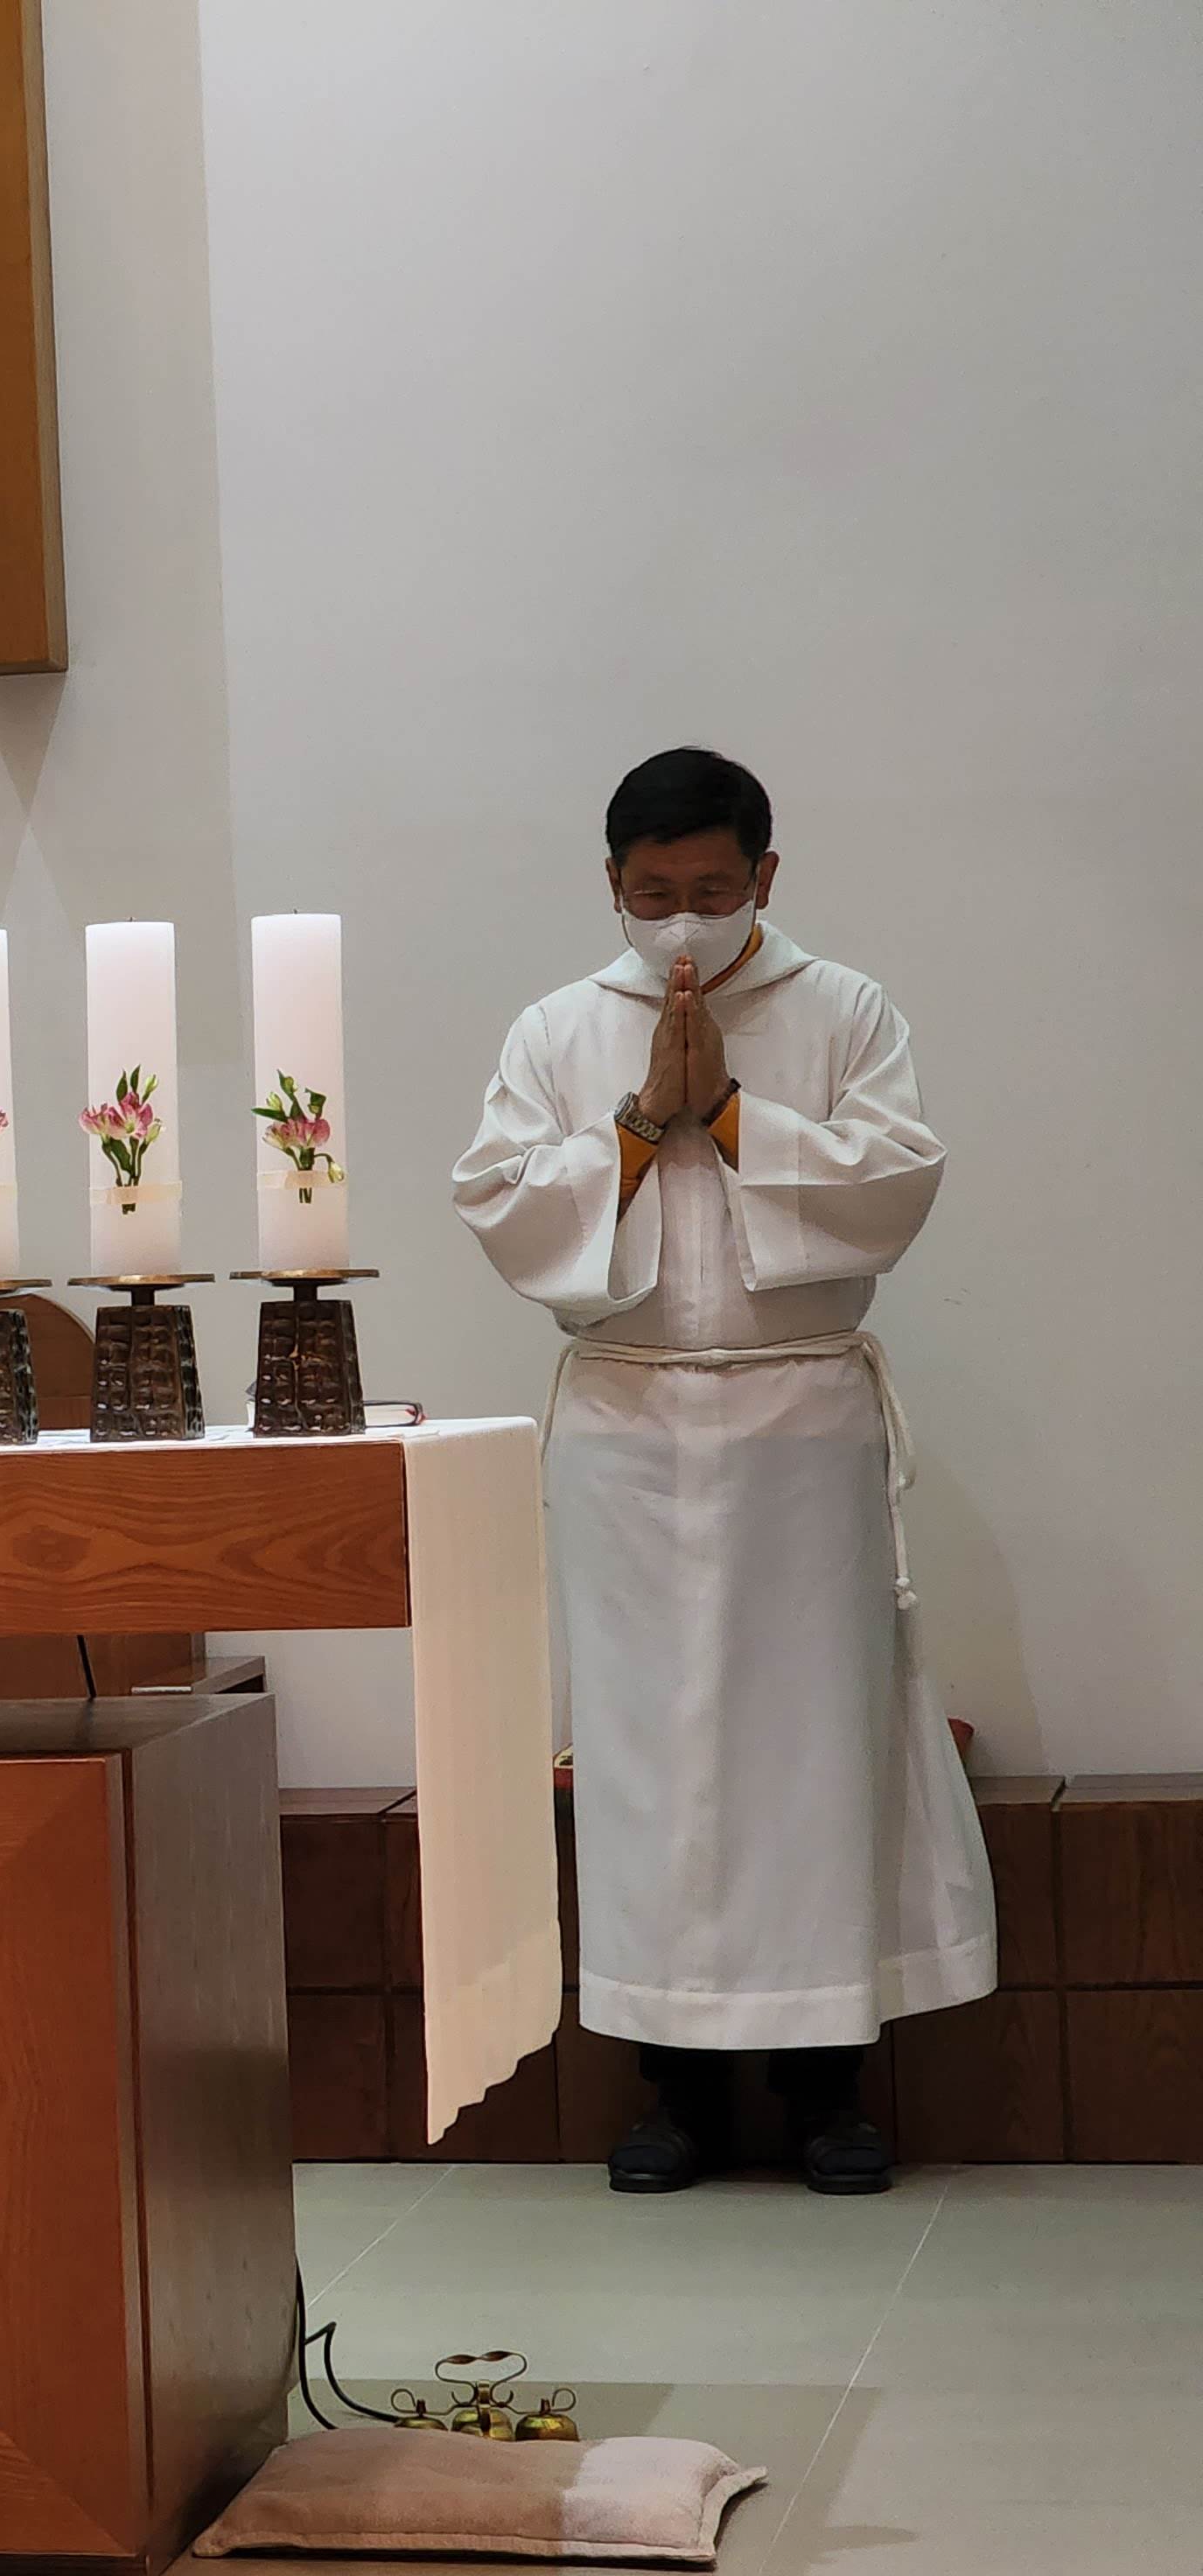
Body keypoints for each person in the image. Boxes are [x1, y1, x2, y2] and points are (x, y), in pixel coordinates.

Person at [454, 746, 990, 2196]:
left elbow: (894, 1182)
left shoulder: (844, 1009)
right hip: (628, 1431)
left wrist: (736, 1112)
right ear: (611, 886)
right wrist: (642, 1120)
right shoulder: (561, 1027)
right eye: (652, 894)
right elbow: (502, 1206)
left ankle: (827, 2094)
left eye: (709, 888)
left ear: (765, 875)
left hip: (798, 1424)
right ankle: (671, 2092)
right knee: (649, 1765)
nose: (681, 920)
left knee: (813, 1754)